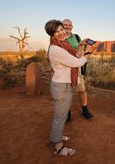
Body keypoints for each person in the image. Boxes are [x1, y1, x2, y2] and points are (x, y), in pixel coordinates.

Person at [45, 19, 97, 157]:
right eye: (57, 31)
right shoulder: (57, 49)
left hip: (65, 84)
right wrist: (89, 52)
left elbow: (75, 55)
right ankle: (58, 147)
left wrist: (80, 45)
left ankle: (58, 135)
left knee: (60, 116)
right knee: (60, 117)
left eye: (62, 29)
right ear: (51, 35)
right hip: (61, 86)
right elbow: (77, 62)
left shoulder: (63, 45)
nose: (61, 33)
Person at [62, 19, 93, 122]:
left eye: (69, 25)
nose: (67, 27)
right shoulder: (58, 37)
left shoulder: (76, 37)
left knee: (82, 90)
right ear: (61, 26)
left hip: (77, 68)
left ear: (72, 27)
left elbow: (82, 50)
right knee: (66, 92)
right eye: (65, 25)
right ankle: (67, 113)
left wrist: (82, 59)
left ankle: (85, 110)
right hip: (64, 69)